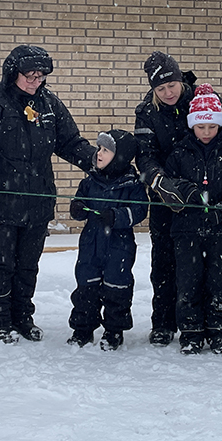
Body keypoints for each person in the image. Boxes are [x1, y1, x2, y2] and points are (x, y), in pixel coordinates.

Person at [0, 45, 96, 344]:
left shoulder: (49, 104)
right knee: (1, 263)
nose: (36, 82)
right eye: (30, 76)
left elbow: (70, 142)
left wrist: (95, 161)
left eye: (41, 77)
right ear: (13, 73)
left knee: (27, 265)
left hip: (38, 199)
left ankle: (22, 317)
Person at [134, 51, 222, 347]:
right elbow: (146, 155)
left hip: (214, 192)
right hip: (170, 197)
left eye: (171, 85)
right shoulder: (147, 112)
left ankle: (212, 324)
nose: (167, 93)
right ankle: (164, 322)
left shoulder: (206, 98)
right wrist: (161, 182)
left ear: (180, 79)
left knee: (214, 267)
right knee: (166, 262)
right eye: (160, 88)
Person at [163, 84, 222, 355]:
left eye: (212, 127)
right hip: (186, 229)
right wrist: (186, 191)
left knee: (219, 280)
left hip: (221, 229)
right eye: (201, 127)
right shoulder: (179, 152)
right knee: (189, 279)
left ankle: (219, 329)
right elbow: (171, 182)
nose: (207, 132)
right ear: (192, 126)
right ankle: (191, 330)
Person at [67, 129, 148, 351]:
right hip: (91, 242)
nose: (99, 154)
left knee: (117, 286)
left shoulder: (132, 184)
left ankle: (114, 330)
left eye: (105, 150)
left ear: (120, 156)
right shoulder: (90, 180)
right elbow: (80, 200)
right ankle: (82, 328)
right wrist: (77, 208)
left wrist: (116, 216)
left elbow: (139, 211)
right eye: (99, 148)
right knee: (86, 285)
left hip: (118, 244)